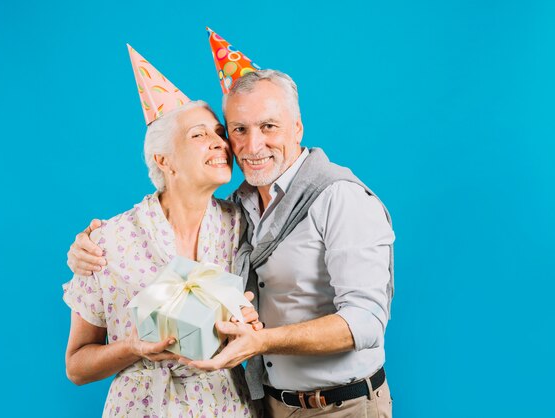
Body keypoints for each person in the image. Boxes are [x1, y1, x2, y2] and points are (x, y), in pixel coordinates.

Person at [70, 36, 394, 418]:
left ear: (298, 128)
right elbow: (77, 362)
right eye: (236, 129)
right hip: (254, 405)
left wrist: (258, 339)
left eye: (268, 126)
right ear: (164, 159)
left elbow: (366, 320)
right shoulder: (238, 211)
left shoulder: (308, 205)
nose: (240, 145)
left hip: (324, 405)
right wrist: (83, 249)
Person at [62, 46, 260, 417]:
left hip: (225, 407)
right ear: (163, 159)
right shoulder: (108, 241)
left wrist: (250, 324)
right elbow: (76, 366)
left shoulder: (244, 224)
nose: (220, 143)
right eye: (199, 135)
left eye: (220, 133)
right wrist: (132, 347)